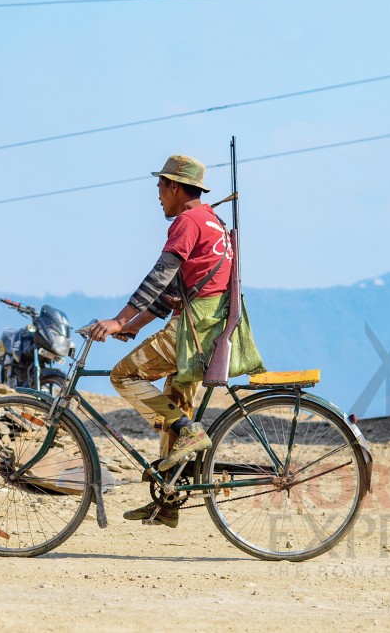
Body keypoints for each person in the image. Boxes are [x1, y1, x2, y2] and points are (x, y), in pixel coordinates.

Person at [88, 154, 262, 528]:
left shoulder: (187, 221)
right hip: (210, 327)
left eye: (160, 187)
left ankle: (189, 432)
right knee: (173, 410)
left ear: (176, 187)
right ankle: (166, 503)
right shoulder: (212, 221)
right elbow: (171, 294)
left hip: (195, 331)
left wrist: (118, 320)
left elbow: (159, 275)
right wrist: (134, 324)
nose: (158, 196)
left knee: (124, 376)